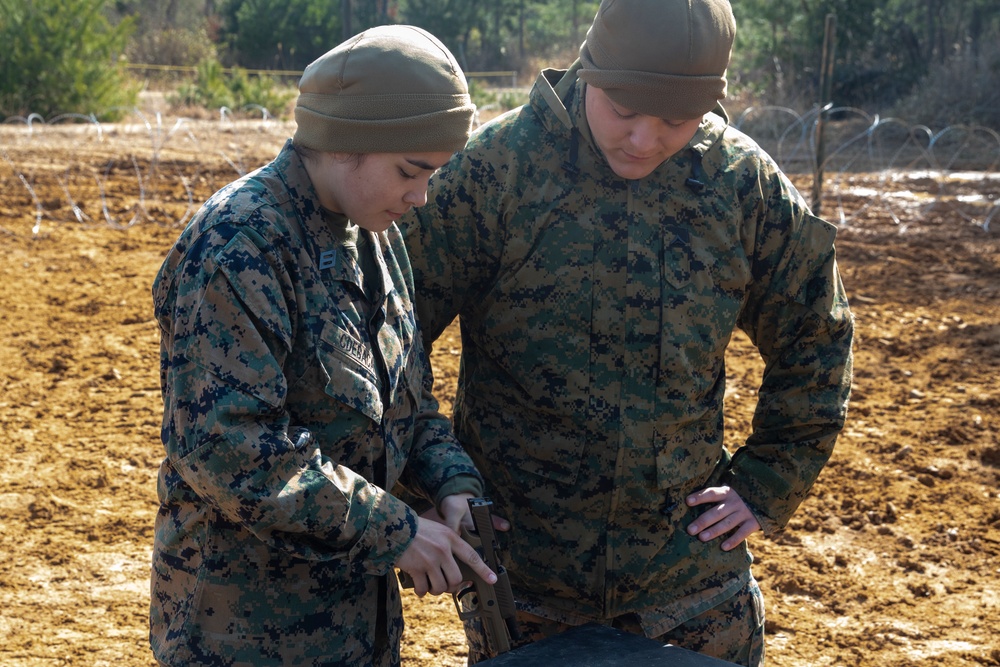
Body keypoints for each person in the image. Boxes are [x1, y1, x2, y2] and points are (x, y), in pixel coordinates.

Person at [398, 0, 855, 665]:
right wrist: (433, 481)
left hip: (691, 583)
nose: (643, 139)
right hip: (527, 579)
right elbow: (386, 336)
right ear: (590, 71)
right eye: (623, 109)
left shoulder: (737, 183)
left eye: (675, 120)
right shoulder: (496, 172)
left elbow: (817, 329)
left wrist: (768, 479)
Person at [149, 25, 496, 667]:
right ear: (348, 143)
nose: (420, 198)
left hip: (355, 633)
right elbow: (232, 450)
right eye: (410, 172)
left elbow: (408, 409)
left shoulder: (376, 238)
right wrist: (396, 531)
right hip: (244, 637)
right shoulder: (238, 246)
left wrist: (451, 486)